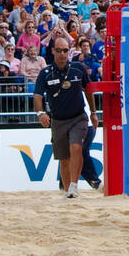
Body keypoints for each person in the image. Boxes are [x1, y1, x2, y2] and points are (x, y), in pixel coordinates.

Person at [34, 35, 97, 199]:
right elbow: (37, 95)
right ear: (53, 51)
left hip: (78, 117)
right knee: (63, 158)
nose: (63, 54)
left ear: (69, 51)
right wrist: (40, 113)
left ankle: (74, 186)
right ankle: (68, 189)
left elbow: (88, 90)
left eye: (66, 50)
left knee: (76, 148)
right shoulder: (45, 73)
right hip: (58, 120)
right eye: (59, 50)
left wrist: (94, 113)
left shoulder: (79, 68)